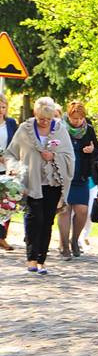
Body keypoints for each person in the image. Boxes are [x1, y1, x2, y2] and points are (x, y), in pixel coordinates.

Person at [3, 97, 75, 273]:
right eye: (41, 118)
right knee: (35, 219)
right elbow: (10, 153)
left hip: (53, 183)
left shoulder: (60, 130)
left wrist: (54, 157)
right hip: (31, 182)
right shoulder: (24, 130)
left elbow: (70, 156)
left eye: (48, 119)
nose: (45, 122)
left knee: (47, 221)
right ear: (35, 114)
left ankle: (42, 260)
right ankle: (31, 259)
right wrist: (13, 168)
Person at [57, 101, 98, 259]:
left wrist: (92, 150)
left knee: (82, 211)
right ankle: (64, 246)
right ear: (68, 116)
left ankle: (74, 239)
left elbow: (97, 151)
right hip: (63, 176)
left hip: (81, 176)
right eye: (74, 118)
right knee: (64, 211)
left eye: (80, 118)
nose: (77, 121)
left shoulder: (88, 129)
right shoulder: (60, 128)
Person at [0, 94, 19, 251]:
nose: (1, 110)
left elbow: (18, 144)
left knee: (7, 205)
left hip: (7, 169)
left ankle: (2, 237)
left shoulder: (11, 123)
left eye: (3, 107)